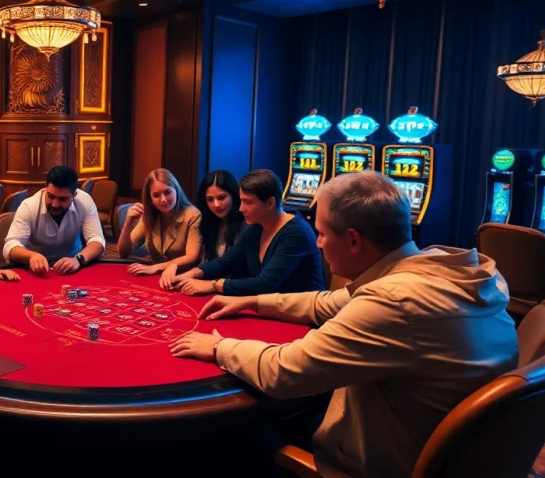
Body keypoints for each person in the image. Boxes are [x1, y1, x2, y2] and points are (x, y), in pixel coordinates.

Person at [169, 171, 518, 478]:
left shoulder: (395, 302)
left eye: (320, 234)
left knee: (221, 440)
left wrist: (217, 347)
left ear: (352, 239)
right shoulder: (433, 266)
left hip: (378, 463)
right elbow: (326, 301)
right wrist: (250, 301)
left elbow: (285, 371)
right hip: (439, 446)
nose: (316, 243)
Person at [170, 169, 323, 296]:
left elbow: (266, 283)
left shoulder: (296, 233)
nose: (241, 208)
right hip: (271, 309)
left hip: (302, 317)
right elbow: (226, 262)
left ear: (270, 203)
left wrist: (213, 285)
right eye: (241, 201)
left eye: (248, 202)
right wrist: (193, 273)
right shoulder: (257, 226)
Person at [4, 165, 105, 274]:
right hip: (37, 269)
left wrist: (78, 259)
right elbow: (10, 246)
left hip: (73, 265)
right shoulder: (29, 206)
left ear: (74, 196)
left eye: (62, 199)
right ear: (45, 188)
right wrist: (31, 256)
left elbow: (97, 239)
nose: (55, 204)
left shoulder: (84, 201)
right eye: (51, 196)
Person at [117, 168, 202, 288]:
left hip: (185, 278)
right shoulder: (150, 217)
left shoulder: (192, 215)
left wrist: (155, 267)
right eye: (156, 195)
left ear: (176, 190)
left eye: (167, 192)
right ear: (150, 199)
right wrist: (128, 222)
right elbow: (123, 252)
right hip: (157, 278)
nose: (163, 199)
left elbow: (191, 257)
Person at [195, 169, 245, 262]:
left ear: (233, 195)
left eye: (221, 197)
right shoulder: (209, 223)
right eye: (210, 199)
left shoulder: (245, 224)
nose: (216, 204)